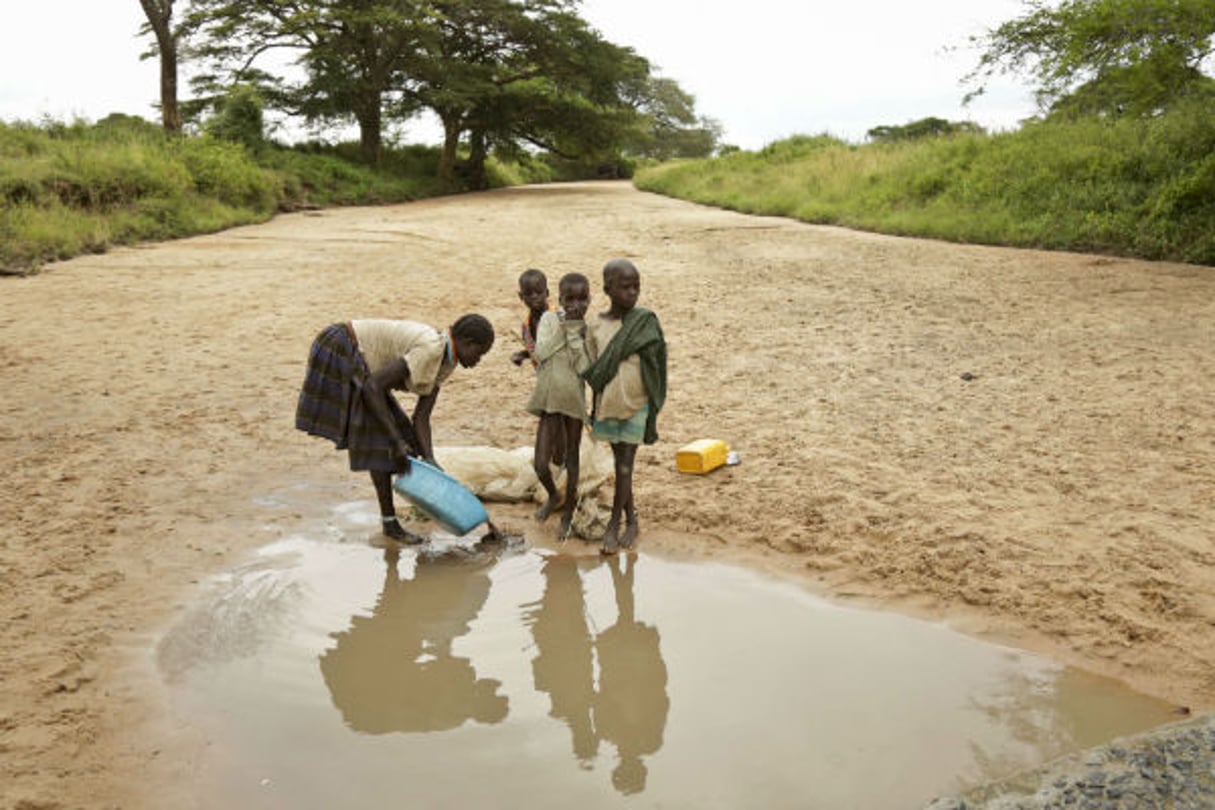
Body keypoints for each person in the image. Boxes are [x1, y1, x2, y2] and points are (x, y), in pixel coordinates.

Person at [295, 314, 495, 544]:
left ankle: (391, 520)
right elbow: (372, 388)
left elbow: (421, 417)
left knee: (402, 438)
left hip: (370, 372)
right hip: (341, 346)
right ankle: (390, 525)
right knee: (382, 442)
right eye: (479, 354)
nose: (479, 361)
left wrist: (430, 461)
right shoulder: (431, 348)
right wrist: (395, 441)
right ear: (467, 342)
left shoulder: (447, 361)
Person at [582, 259, 667, 554]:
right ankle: (632, 519)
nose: (633, 293)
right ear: (608, 288)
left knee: (625, 467)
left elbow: (657, 362)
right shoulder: (595, 326)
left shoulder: (644, 321)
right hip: (609, 404)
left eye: (636, 287)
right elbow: (594, 368)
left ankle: (613, 525)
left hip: (637, 404)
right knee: (622, 468)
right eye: (625, 287)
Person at [526, 272, 591, 537]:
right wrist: (565, 328)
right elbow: (540, 353)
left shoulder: (590, 329)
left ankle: (568, 511)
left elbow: (584, 367)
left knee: (572, 458)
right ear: (560, 299)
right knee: (541, 463)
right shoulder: (549, 319)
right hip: (549, 398)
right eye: (569, 299)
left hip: (573, 401)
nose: (575, 304)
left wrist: (575, 335)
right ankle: (553, 495)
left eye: (581, 299)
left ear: (589, 299)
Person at [510, 268, 551, 368]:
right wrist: (522, 355)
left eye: (539, 292)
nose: (534, 297)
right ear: (521, 296)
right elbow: (537, 352)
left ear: (547, 293)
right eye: (528, 293)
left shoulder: (559, 319)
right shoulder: (526, 327)